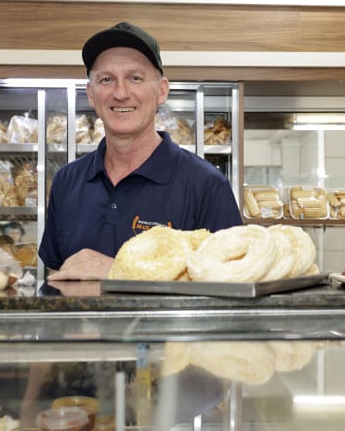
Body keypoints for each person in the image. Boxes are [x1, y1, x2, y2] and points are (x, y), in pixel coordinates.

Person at [39, 21, 243, 281]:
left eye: (135, 78)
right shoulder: (67, 181)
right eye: (106, 80)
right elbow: (58, 275)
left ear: (161, 91)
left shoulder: (206, 185)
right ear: (91, 94)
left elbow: (230, 286)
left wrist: (118, 272)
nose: (121, 93)